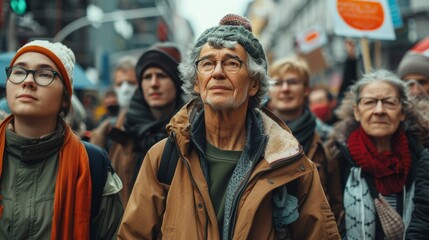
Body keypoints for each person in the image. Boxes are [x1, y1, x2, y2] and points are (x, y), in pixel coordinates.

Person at [118, 14, 339, 239]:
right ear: (197, 83)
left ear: (254, 83)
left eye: (232, 63)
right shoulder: (162, 157)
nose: (218, 72)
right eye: (207, 64)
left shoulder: (290, 163)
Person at [0, 40, 123, 239]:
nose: (28, 81)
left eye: (44, 74)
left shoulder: (92, 165)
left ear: (65, 98)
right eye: (19, 71)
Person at [326, 69, 429, 239]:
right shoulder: (337, 160)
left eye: (389, 102)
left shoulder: (421, 159)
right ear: (357, 111)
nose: (379, 110)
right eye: (370, 102)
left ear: (402, 112)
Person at [107, 42, 186, 208]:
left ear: (177, 83)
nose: (154, 84)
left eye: (162, 76)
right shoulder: (118, 130)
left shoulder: (193, 130)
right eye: (147, 77)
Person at [267, 56, 342, 222]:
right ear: (269, 90)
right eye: (277, 83)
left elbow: (337, 201)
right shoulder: (253, 136)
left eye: (293, 82)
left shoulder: (327, 139)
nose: (285, 89)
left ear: (306, 89)